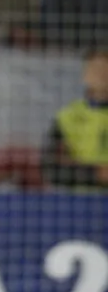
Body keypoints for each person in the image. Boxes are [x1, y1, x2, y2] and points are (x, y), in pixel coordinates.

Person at [40, 48, 108, 191]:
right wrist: (95, 174)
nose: (102, 75)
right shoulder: (67, 117)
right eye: (96, 69)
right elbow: (50, 168)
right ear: (85, 75)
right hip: (79, 204)